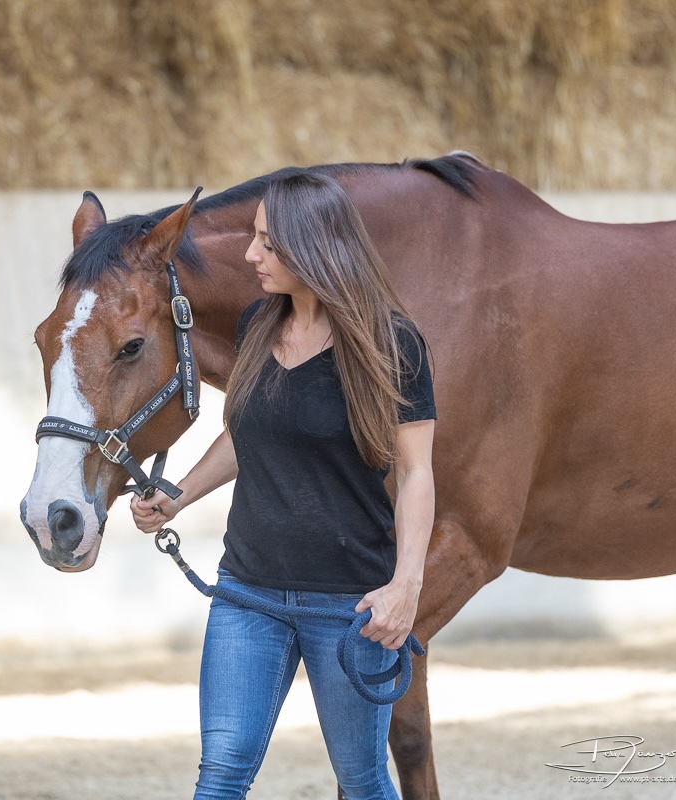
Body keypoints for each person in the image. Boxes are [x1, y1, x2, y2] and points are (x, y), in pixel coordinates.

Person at [132, 171, 436, 800]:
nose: (251, 255)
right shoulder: (256, 326)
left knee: (361, 779)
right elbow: (248, 434)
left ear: (315, 246)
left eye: (267, 243)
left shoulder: (391, 344)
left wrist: (406, 586)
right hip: (248, 593)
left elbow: (415, 472)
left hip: (349, 606)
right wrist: (179, 495)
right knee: (220, 772)